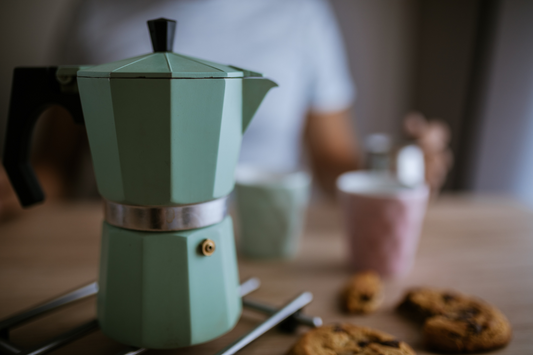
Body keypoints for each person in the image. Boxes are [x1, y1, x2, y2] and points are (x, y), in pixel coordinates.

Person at [0, 0, 359, 218]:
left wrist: (393, 178)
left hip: (261, 231)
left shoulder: (302, 12)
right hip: (116, 224)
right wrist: (17, 185)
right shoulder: (96, 10)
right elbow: (55, 162)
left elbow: (333, 157)